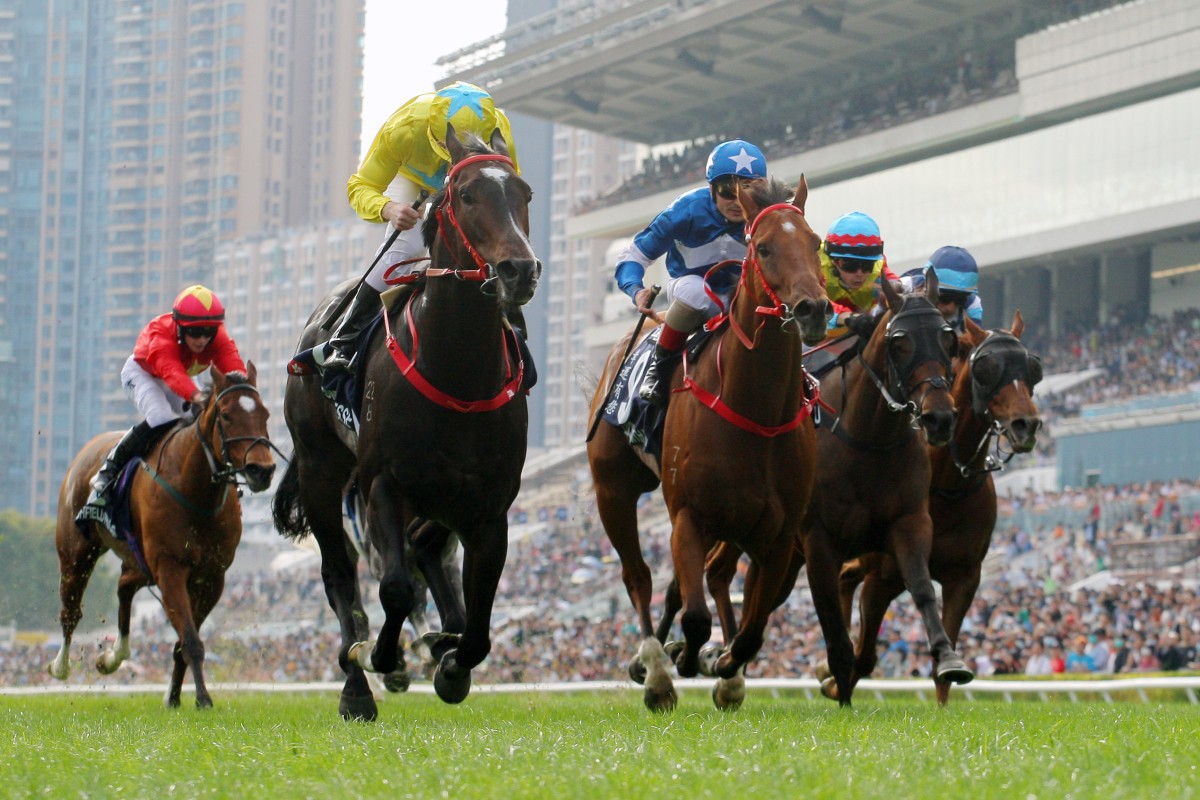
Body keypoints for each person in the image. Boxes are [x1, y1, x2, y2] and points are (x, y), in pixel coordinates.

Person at [322, 81, 520, 375]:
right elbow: (360, 186)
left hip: (470, 184)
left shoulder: (498, 129)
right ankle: (345, 339)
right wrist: (389, 209)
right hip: (413, 180)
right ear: (432, 132)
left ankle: (515, 330)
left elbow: (509, 192)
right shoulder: (404, 128)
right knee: (405, 247)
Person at [615, 139, 769, 407]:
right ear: (711, 188)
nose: (737, 201)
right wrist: (636, 291)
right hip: (692, 287)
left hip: (742, 297)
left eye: (747, 190)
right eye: (727, 190)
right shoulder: (685, 211)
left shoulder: (767, 217)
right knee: (695, 293)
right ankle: (659, 368)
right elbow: (634, 256)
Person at [79, 285, 247, 515]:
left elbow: (234, 368)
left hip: (181, 378)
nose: (202, 339)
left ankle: (224, 481)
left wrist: (243, 392)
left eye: (208, 331)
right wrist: (196, 396)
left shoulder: (218, 339)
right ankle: (107, 473)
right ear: (179, 327)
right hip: (143, 374)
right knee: (161, 417)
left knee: (202, 420)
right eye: (195, 332)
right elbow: (172, 374)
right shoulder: (161, 335)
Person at [820, 211, 899, 338]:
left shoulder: (879, 265)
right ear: (833, 259)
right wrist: (848, 317)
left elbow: (898, 286)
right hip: (817, 337)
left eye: (867, 265)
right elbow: (815, 304)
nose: (860, 274)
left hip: (859, 332)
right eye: (850, 265)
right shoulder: (813, 264)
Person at [900, 245, 984, 331]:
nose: (950, 308)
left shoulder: (972, 304)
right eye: (945, 298)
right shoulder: (906, 286)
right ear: (926, 286)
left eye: (960, 300)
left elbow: (976, 341)